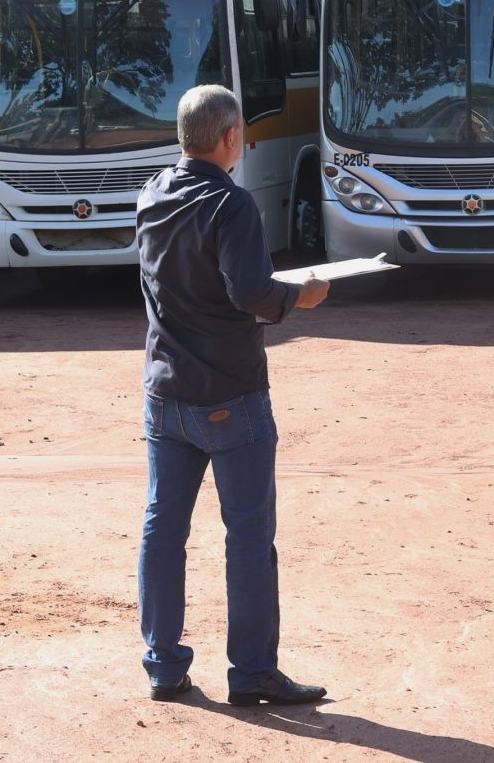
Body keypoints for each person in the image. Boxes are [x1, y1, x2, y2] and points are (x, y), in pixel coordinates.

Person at [135, 84, 330, 706]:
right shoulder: (233, 203)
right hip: (230, 394)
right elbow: (250, 292)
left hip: (166, 393)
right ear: (229, 139)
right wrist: (299, 295)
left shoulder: (153, 192)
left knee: (163, 530)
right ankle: (250, 673)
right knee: (247, 535)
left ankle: (165, 666)